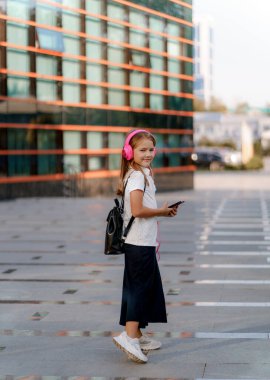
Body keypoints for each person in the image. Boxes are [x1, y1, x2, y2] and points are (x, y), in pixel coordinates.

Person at [113, 129, 178, 364]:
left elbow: (142, 209)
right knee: (138, 291)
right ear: (130, 152)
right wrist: (161, 211)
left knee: (143, 289)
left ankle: (137, 334)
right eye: (142, 150)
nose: (148, 153)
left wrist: (162, 212)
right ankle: (128, 337)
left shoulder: (144, 173)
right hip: (139, 243)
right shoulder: (137, 177)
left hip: (143, 242)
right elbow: (138, 210)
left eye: (151, 149)